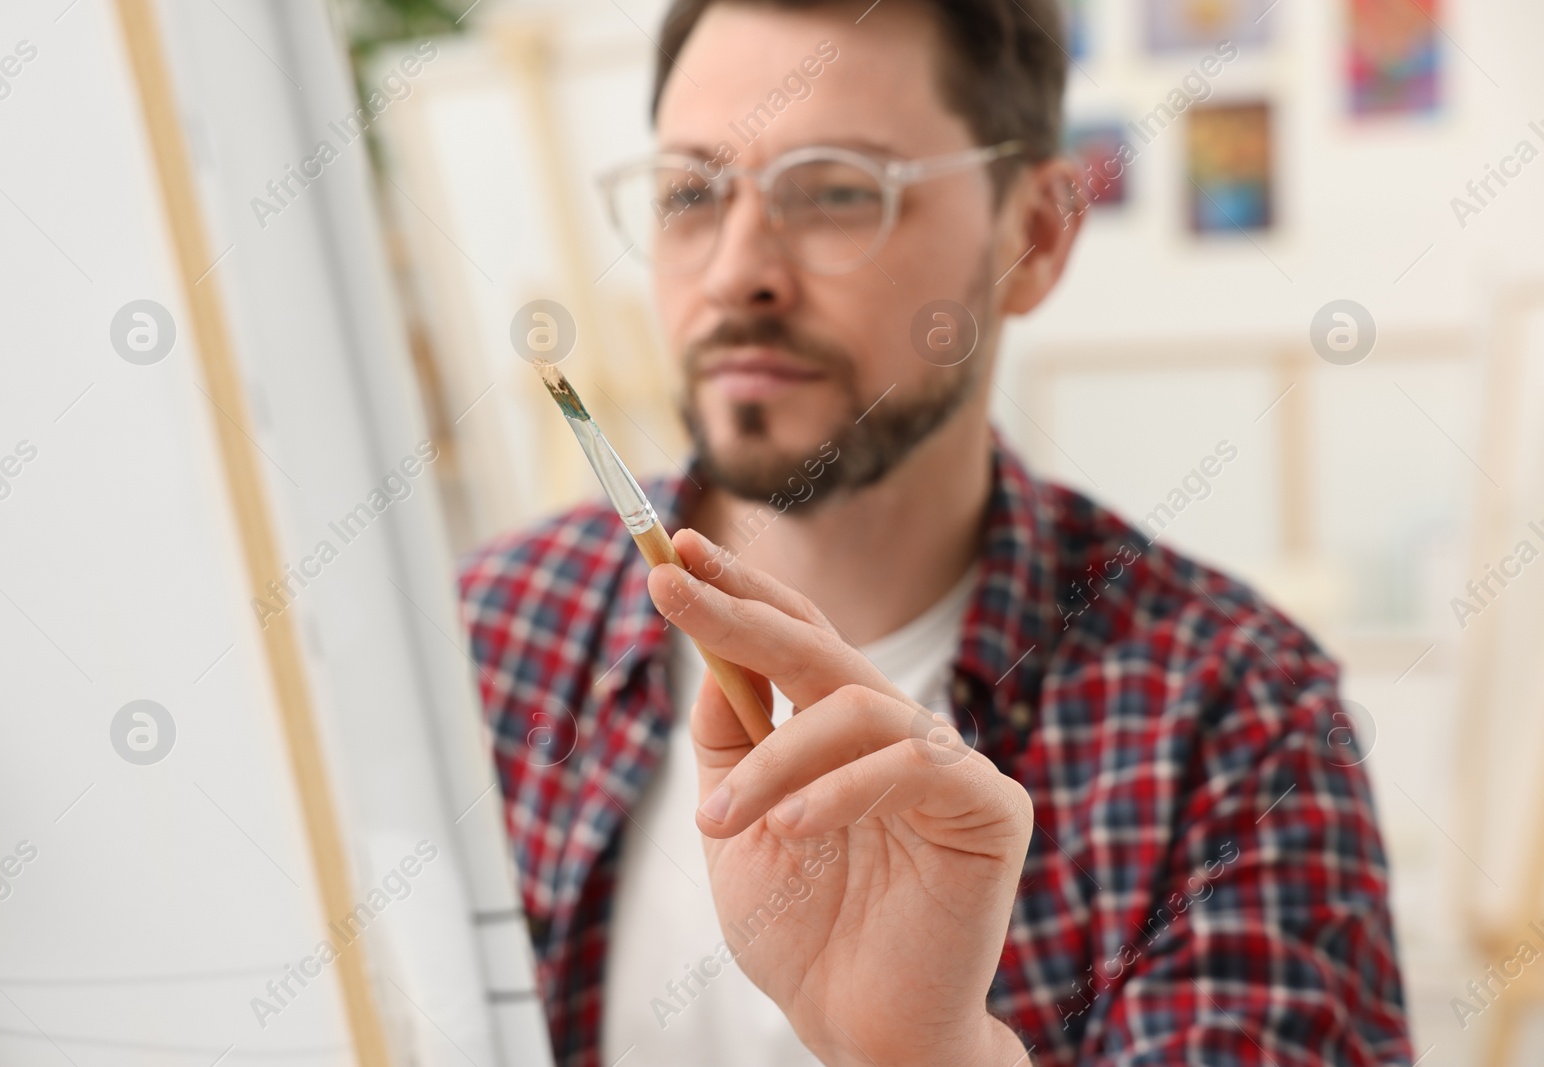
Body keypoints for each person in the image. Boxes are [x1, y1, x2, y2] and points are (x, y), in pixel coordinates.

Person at [458, 1, 1412, 1064]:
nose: (735, 272)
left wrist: (932, 1052)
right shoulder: (487, 638)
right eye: (690, 191)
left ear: (1037, 235)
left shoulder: (1242, 719)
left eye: (832, 191)